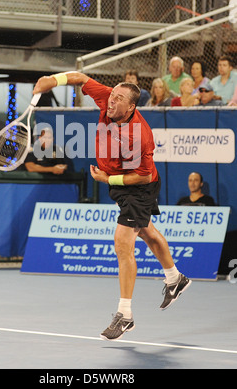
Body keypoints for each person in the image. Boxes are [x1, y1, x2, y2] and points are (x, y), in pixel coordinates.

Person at [33, 71, 191, 341]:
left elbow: (143, 175)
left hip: (138, 186)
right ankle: (176, 278)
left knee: (122, 243)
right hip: (119, 185)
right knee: (147, 232)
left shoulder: (140, 135)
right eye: (112, 95)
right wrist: (54, 80)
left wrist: (108, 178)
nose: (111, 101)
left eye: (119, 99)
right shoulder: (108, 98)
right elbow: (81, 78)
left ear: (131, 106)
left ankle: (125, 315)